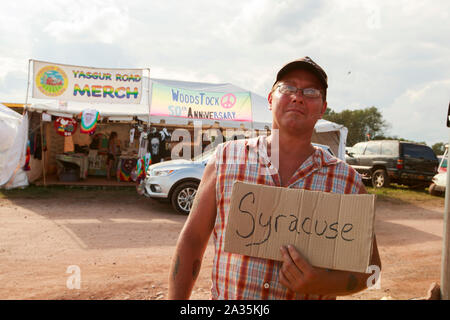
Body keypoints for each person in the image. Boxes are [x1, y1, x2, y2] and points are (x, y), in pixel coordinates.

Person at [168, 57, 381, 300]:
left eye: (311, 92)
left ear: (323, 108)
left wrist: (324, 283)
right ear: (270, 99)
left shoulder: (347, 182)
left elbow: (372, 271)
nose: (298, 97)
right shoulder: (226, 159)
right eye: (288, 87)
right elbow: (192, 241)